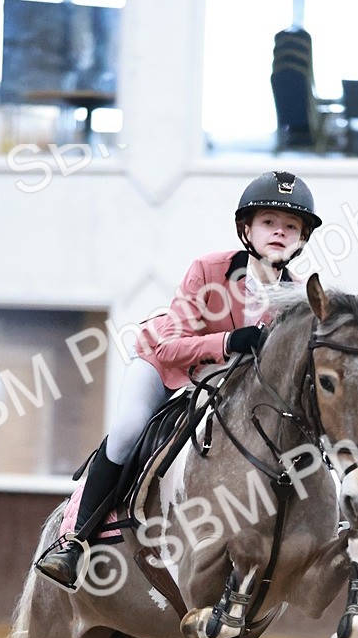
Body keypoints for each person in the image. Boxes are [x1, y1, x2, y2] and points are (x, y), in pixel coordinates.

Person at [37, 170, 322, 588]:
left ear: (301, 240)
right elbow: (171, 346)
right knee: (128, 429)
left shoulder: (298, 299)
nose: (279, 232)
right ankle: (73, 540)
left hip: (225, 390)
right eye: (268, 223)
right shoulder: (209, 269)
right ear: (247, 229)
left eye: (291, 226)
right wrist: (228, 342)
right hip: (162, 365)